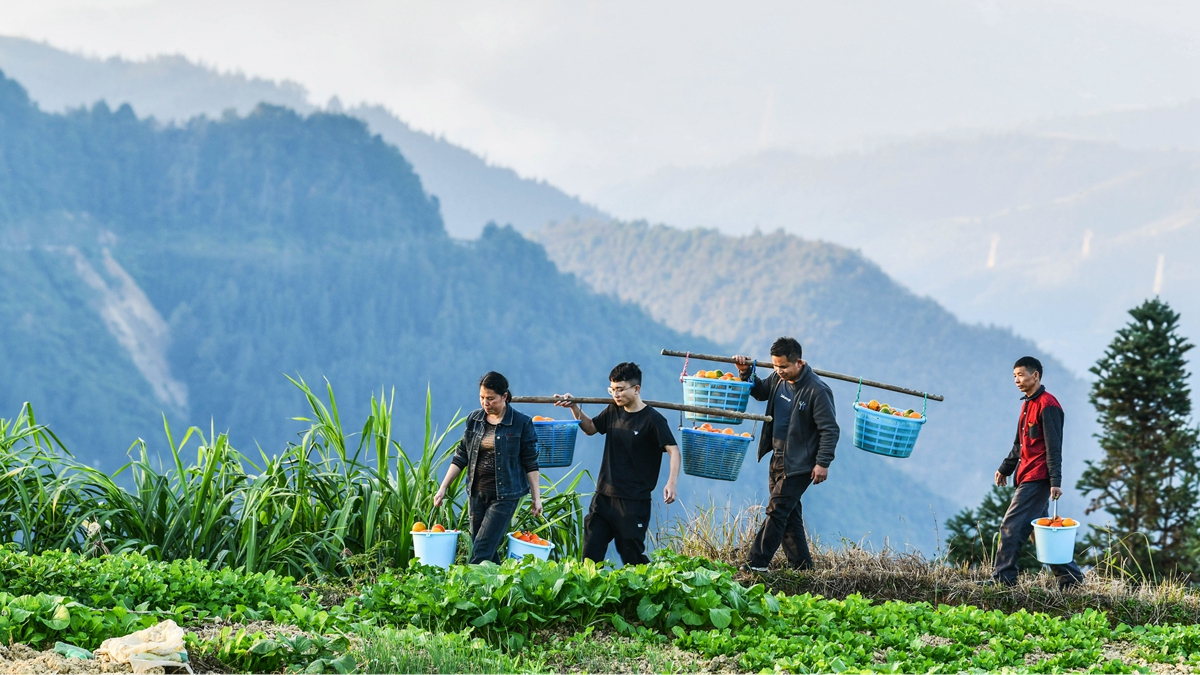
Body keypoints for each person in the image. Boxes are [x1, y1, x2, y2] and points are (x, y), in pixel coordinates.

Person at [555, 362, 681, 565]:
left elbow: (673, 451)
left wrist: (671, 483)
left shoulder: (653, 420)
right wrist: (574, 407)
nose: (616, 394)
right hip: (603, 498)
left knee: (632, 559)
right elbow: (590, 428)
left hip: (633, 502)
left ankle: (652, 591)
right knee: (589, 557)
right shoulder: (613, 410)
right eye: (612, 389)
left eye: (620, 389)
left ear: (636, 389)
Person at [732, 336, 839, 573]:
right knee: (788, 516)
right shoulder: (778, 380)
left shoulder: (817, 391)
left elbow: (829, 430)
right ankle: (802, 568)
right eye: (775, 366)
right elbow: (760, 392)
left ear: (799, 362)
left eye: (783, 366)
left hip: (800, 464)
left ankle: (755, 564)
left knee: (777, 510)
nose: (778, 371)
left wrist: (823, 463)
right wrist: (745, 372)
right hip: (777, 457)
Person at [987, 356, 1084, 588]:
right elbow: (1019, 444)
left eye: (1020, 375)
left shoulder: (1048, 405)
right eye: (1014, 376)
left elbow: (1054, 446)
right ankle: (1071, 578)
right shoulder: (1027, 403)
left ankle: (1004, 579)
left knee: (1010, 527)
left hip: (1037, 478)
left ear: (1036, 376)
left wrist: (1055, 481)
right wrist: (1005, 468)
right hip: (1025, 475)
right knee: (1042, 534)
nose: (1017, 380)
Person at [434, 372, 542, 564]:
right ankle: (498, 589)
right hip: (477, 493)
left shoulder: (521, 423)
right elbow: (461, 456)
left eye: (491, 398)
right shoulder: (474, 419)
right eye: (482, 398)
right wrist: (443, 488)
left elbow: (530, 462)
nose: (485, 403)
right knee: (486, 549)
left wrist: (536, 497)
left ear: (504, 396)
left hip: (505, 496)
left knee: (481, 549)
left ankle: (469, 591)